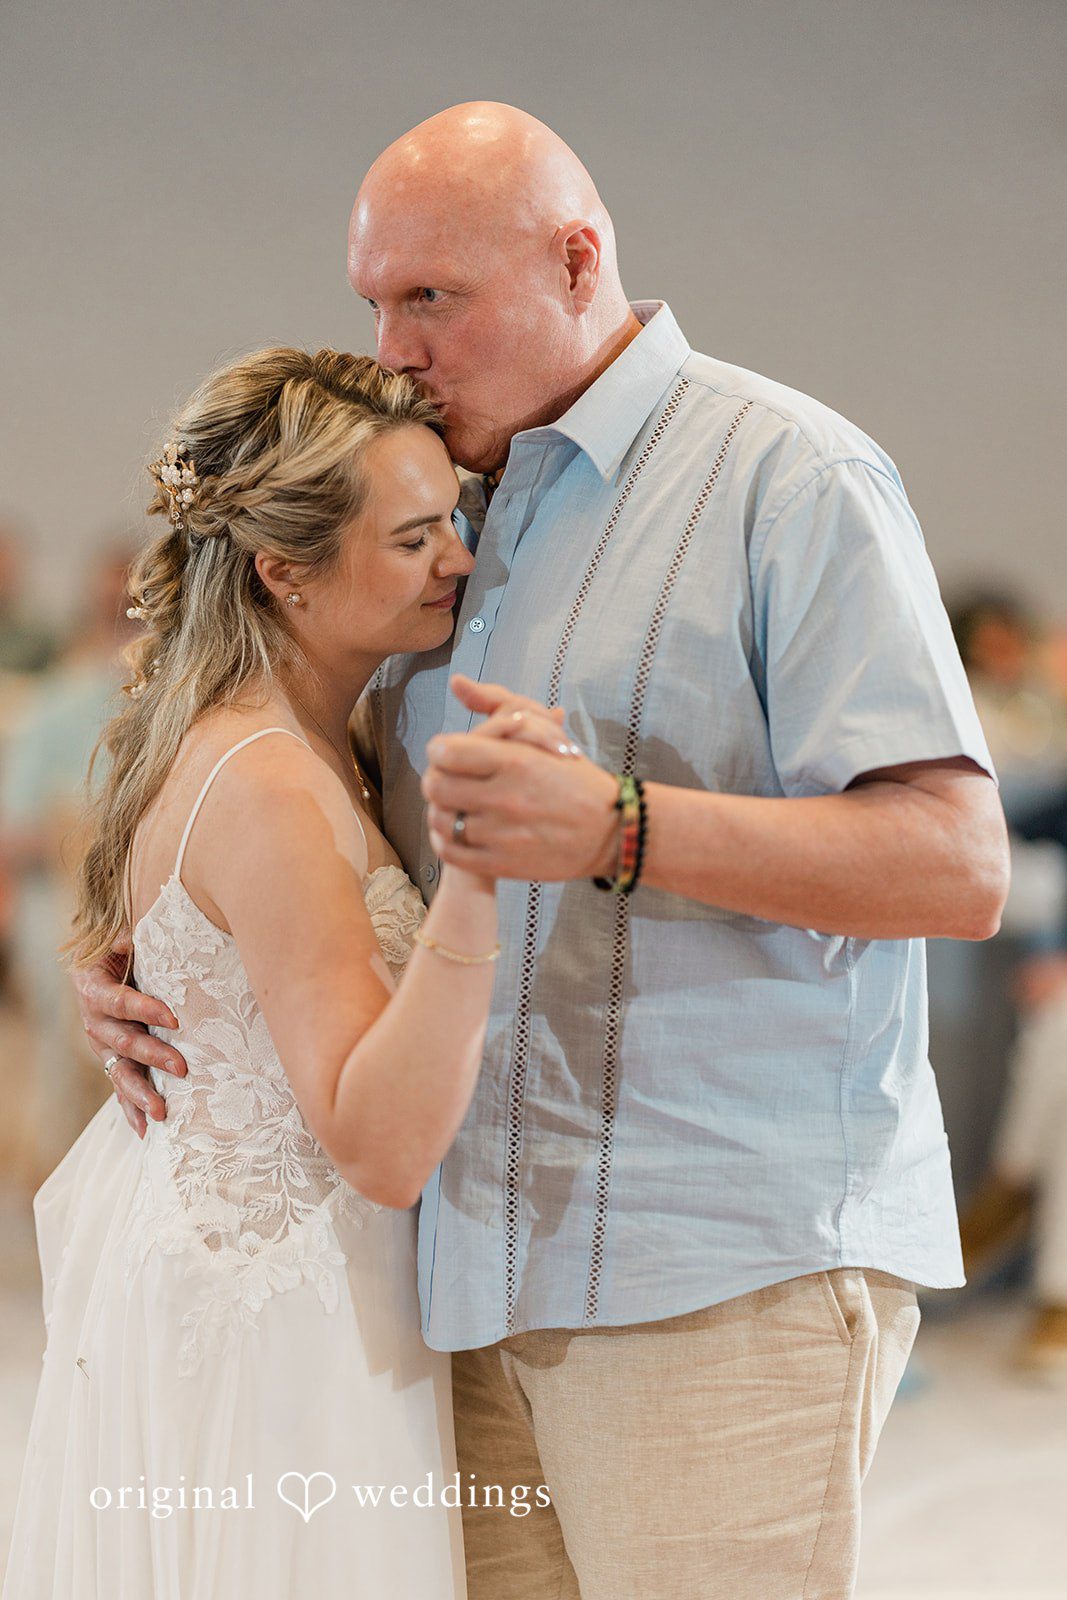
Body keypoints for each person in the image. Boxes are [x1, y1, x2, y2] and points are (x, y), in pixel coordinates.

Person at [80, 105, 1010, 1600]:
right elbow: (315, 834)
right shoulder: (436, 518)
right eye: (372, 301)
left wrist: (622, 827)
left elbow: (957, 866)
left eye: (428, 298)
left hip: (710, 1282)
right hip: (449, 1296)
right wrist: (177, 970)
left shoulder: (786, 477)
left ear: (576, 262)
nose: (391, 349)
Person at [4, 346, 572, 1598]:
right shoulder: (267, 781)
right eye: (415, 538)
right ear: (283, 568)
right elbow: (375, 1141)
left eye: (454, 524)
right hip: (280, 1330)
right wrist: (481, 868)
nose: (459, 560)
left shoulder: (302, 739)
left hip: (259, 1286)